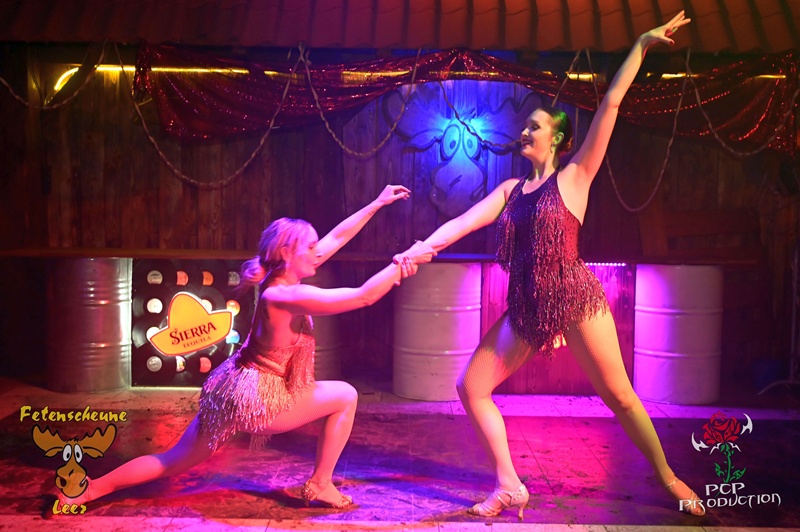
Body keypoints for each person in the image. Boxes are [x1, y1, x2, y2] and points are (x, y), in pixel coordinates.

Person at [394, 11, 704, 518]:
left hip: (575, 298)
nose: (524, 131)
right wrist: (420, 248)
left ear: (557, 139)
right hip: (527, 306)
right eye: (525, 125)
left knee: (621, 397)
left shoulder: (577, 176)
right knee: (471, 387)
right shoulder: (510, 190)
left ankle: (669, 478)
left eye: (534, 126)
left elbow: (611, 102)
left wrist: (642, 46)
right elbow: (464, 223)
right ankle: (509, 484)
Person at [50, 185, 437, 512]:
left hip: (232, 388)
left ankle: (90, 489)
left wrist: (376, 203)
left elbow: (335, 239)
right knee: (346, 395)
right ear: (287, 253)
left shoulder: (278, 279)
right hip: (261, 399)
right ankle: (320, 483)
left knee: (173, 460)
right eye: (310, 246)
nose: (318, 251)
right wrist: (403, 263)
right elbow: (363, 296)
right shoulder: (285, 296)